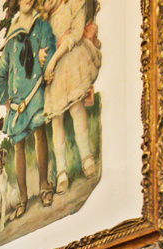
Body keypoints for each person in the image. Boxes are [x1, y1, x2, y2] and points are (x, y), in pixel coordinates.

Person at [0, 0, 57, 216]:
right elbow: (0, 76)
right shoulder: (11, 39)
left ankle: (45, 185)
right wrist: (5, 97)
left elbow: (51, 51)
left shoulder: (42, 26)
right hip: (17, 103)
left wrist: (43, 59)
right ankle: (23, 197)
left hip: (35, 93)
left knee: (40, 133)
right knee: (18, 145)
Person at [43, 0, 101, 194]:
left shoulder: (74, 5)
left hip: (70, 59)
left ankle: (86, 158)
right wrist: (43, 57)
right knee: (55, 119)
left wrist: (53, 59)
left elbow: (75, 34)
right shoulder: (44, 19)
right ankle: (61, 171)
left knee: (76, 107)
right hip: (53, 72)